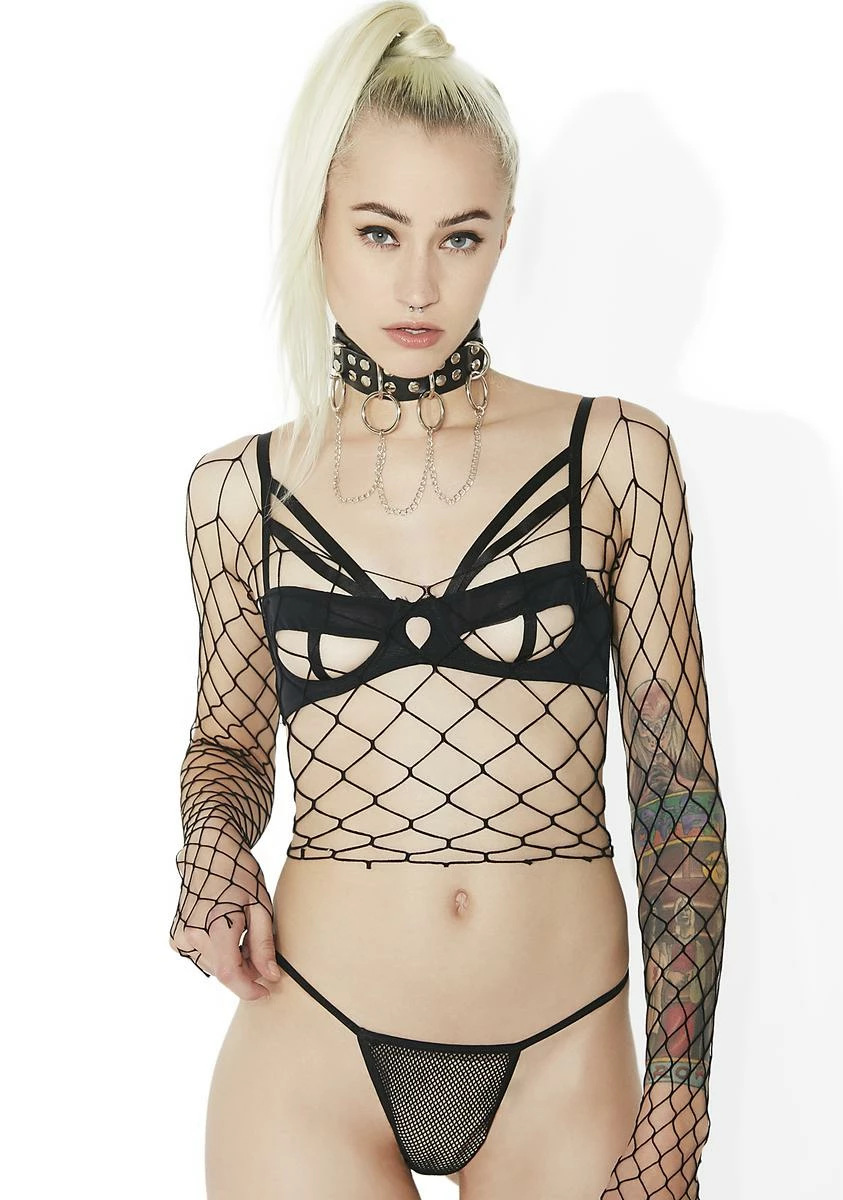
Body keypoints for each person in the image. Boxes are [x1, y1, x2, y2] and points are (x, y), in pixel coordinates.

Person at [169, 4, 729, 1197]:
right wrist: (211, 844)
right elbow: (229, 745)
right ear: (317, 219)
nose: (419, 283)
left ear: (505, 233)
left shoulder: (614, 457)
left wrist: (681, 1093)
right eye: (379, 232)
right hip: (310, 1047)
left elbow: (678, 799)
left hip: (565, 1053)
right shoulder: (237, 491)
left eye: (460, 237)